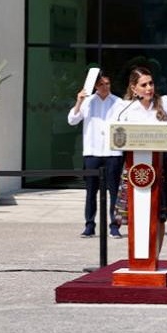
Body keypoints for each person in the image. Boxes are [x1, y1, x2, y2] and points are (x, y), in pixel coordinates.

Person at [112, 66, 167, 253]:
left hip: (160, 165)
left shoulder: (164, 102)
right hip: (134, 165)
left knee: (158, 214)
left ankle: (155, 257)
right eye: (143, 84)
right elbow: (114, 132)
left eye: (151, 83)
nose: (148, 88)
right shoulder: (125, 107)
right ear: (133, 88)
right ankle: (138, 256)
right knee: (136, 212)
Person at [67, 71, 123, 238]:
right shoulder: (88, 102)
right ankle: (89, 225)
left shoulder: (118, 102)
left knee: (115, 192)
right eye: (101, 84)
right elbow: (72, 120)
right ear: (95, 86)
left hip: (113, 152)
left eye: (107, 84)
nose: (105, 87)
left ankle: (115, 226)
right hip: (92, 151)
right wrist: (78, 101)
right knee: (91, 191)